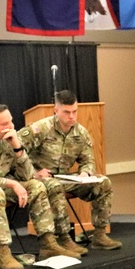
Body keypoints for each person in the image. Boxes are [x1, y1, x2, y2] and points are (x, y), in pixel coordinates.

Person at [0, 104, 77, 269]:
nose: (11, 127)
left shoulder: (8, 140)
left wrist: (18, 149)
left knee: (36, 186)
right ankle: (2, 253)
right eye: (5, 124)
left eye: (11, 122)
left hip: (0, 185)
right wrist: (11, 183)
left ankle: (48, 243)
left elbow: (27, 176)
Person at [18, 90, 121, 251]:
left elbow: (88, 160)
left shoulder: (81, 133)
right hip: (40, 180)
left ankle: (99, 234)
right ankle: (65, 238)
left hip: (65, 178)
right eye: (67, 112)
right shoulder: (41, 129)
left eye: (74, 112)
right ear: (56, 110)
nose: (72, 117)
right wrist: (33, 173)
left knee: (103, 183)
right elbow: (14, 151)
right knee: (54, 185)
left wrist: (85, 173)